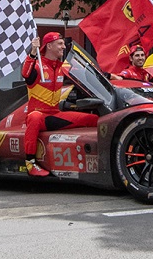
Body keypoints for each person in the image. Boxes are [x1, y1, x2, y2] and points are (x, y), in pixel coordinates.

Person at [20, 32, 98, 177]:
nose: (64, 46)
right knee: (35, 117)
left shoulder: (63, 67)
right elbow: (25, 74)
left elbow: (88, 76)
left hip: (55, 114)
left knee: (94, 120)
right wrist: (32, 53)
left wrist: (113, 76)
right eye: (60, 43)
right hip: (38, 116)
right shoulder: (37, 66)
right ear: (49, 46)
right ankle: (30, 163)